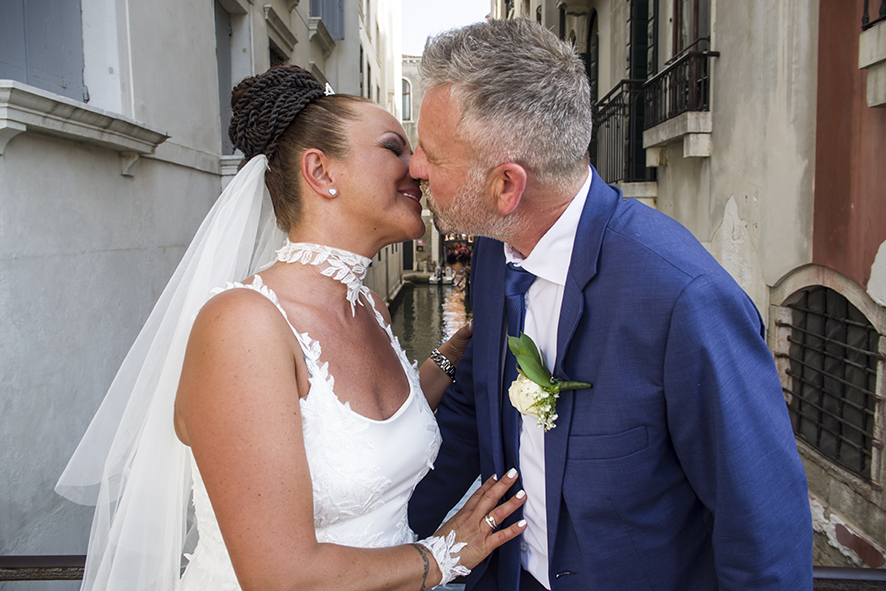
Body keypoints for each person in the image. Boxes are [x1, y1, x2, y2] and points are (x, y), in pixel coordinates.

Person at [55, 65, 527, 591]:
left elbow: (353, 434)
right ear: (321, 173)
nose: (417, 166)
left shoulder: (369, 305)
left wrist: (451, 355)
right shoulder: (243, 327)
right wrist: (441, 556)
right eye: (394, 147)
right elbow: (281, 576)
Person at [407, 19, 813, 591]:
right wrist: (388, 537)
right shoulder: (496, 254)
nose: (415, 167)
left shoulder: (686, 301)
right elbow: (478, 410)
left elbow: (762, 529)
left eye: (431, 154)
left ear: (506, 186)